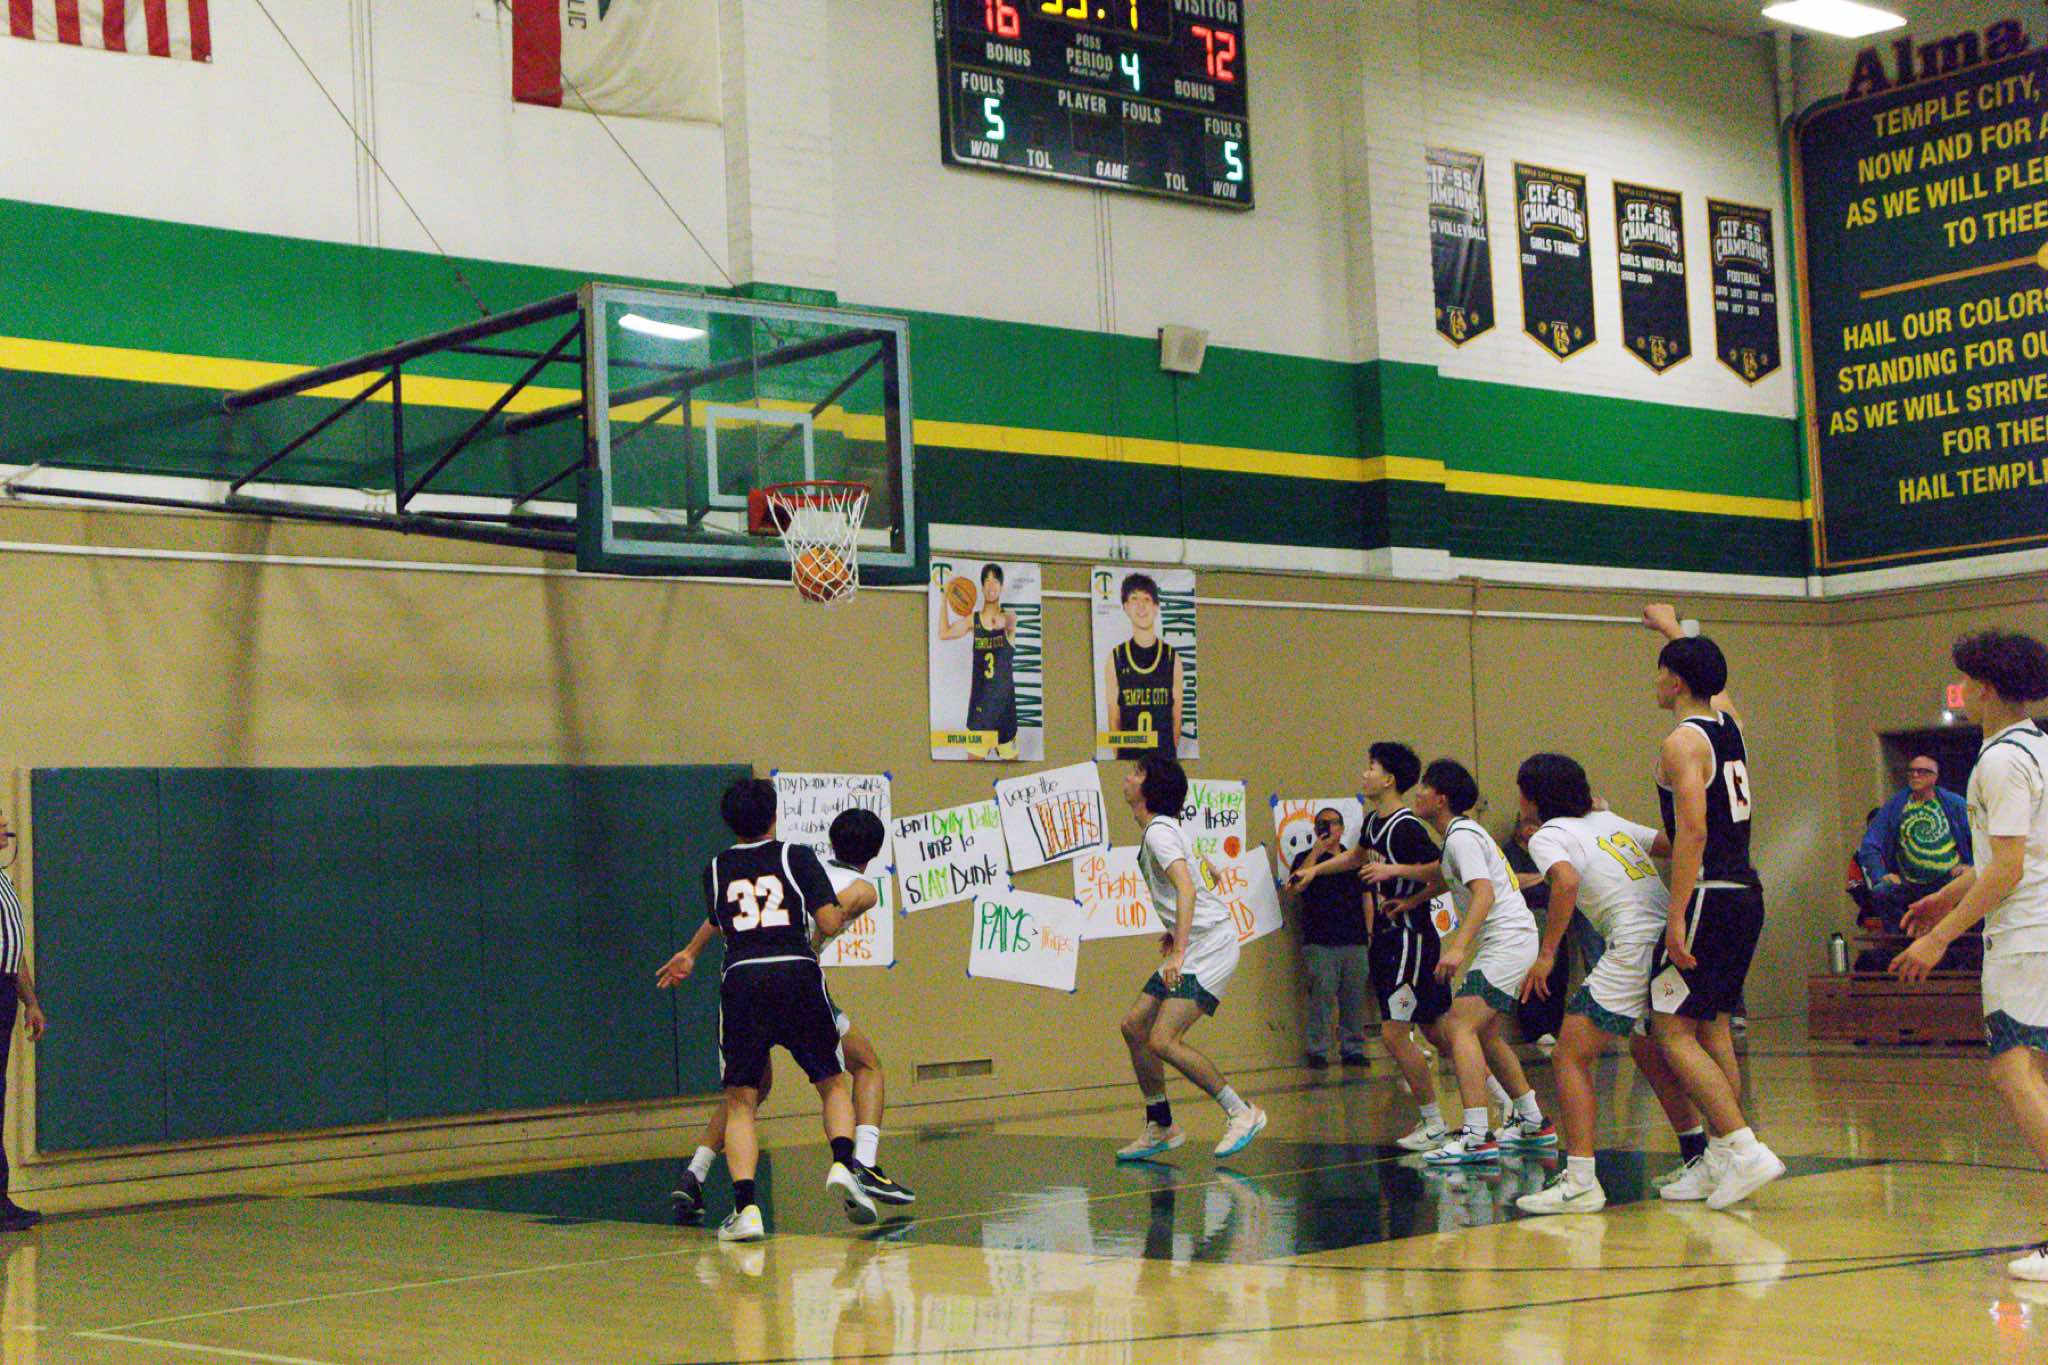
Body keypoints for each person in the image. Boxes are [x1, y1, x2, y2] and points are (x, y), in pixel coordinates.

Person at [663, 809, 914, 1221]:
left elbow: (717, 918)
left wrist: (690, 952)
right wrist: (813, 938)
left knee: (747, 1093)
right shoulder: (858, 886)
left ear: (831, 841)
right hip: (798, 983)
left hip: (747, 984)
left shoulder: (794, 865)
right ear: (875, 852)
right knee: (863, 1065)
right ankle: (861, 1164)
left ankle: (695, 1173)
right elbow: (830, 919)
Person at [1891, 630, 2048, 1282]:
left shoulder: (2000, 762)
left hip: (2026, 938)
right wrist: (1943, 896)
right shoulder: (2039, 748)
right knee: (2034, 1077)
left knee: (2015, 1074)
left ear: (1982, 687)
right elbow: (2010, 856)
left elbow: (2009, 870)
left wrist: (1939, 937)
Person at [1511, 753, 1703, 1215]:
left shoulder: (1548, 835)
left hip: (1632, 943)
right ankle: (1699, 1157)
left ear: (1531, 797)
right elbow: (1675, 842)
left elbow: (1566, 883)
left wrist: (1546, 954)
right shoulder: (1608, 820)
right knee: (1646, 1047)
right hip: (1667, 937)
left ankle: (1580, 1180)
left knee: (1569, 1054)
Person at [1641, 604, 1784, 1209]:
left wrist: (1676, 915)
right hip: (1744, 892)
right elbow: (1716, 686)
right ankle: (1725, 1157)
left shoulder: (1681, 741)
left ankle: (1744, 1147)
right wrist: (1674, 629)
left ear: (1675, 680)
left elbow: (1692, 832)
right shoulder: (1730, 726)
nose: (1655, 681)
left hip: (1707, 894)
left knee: (1668, 1028)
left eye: (1661, 670)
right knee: (1712, 1024)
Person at [1374, 759, 1550, 1165]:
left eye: (1424, 788)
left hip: (1507, 940)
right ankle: (1532, 1121)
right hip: (1509, 940)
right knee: (1485, 1033)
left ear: (1441, 799)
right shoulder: (1459, 836)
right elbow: (1443, 876)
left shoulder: (1462, 838)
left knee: (1457, 1025)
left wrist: (1457, 947)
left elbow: (1483, 893)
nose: (1417, 794)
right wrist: (1413, 901)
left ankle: (1476, 1135)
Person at [1289, 741, 1458, 1150]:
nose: (1364, 773)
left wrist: (1399, 879)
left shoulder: (1407, 826)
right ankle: (1514, 1101)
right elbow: (1356, 857)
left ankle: (1434, 1123)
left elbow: (1443, 870)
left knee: (1394, 1034)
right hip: (1389, 937)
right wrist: (1315, 871)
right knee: (1436, 1031)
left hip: (1410, 937)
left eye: (1371, 767)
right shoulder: (1371, 822)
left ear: (1389, 779)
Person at [1115, 755, 1266, 1161]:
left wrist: (1179, 952)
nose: (1128, 777)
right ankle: (1161, 1123)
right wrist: (1175, 932)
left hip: (1210, 946)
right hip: (1198, 941)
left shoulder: (1159, 834)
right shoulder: (1162, 829)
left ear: (1150, 788)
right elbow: (1190, 886)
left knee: (1163, 1039)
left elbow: (1186, 888)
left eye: (1137, 772)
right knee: (1135, 1026)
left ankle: (1242, 1111)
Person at [1280, 807, 1370, 1067]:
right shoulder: (1304, 858)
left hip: (1354, 939)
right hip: (1320, 941)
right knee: (1321, 997)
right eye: (1322, 823)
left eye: (1332, 823)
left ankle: (1353, 1049)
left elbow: (1367, 897)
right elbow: (1296, 886)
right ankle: (1317, 1050)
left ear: (1341, 828)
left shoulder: (1354, 859)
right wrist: (1316, 854)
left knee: (1354, 999)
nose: (1328, 828)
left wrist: (1369, 932)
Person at [1858, 755, 1972, 933]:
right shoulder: (1895, 806)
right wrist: (1880, 874)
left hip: (1948, 880)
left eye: (1922, 771)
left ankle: (1957, 938)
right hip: (1909, 883)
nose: (1915, 775)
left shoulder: (1955, 804)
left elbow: (1980, 837)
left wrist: (1970, 866)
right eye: (1911, 771)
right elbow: (1869, 844)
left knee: (1970, 886)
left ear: (1935, 777)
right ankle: (1901, 941)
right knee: (1882, 891)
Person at [0, 816, 43, 1232]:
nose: (6, 830)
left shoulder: (4, 882)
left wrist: (30, 1001)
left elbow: (13, 949)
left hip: (4, 987)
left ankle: (1, 1199)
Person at [938, 563, 1019, 760]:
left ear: (1001, 587)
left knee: (1015, 771)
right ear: (982, 587)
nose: (991, 586)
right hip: (980, 710)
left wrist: (1001, 621)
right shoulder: (972, 621)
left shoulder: (1010, 617)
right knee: (972, 769)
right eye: (987, 581)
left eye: (996, 581)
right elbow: (943, 633)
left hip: (1005, 710)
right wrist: (944, 597)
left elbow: (1008, 621)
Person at [1104, 573, 1184, 759]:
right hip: (1129, 760)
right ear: (1125, 607)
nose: (1141, 605)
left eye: (1146, 599)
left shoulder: (1172, 658)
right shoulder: (1115, 658)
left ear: (1156, 607)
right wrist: (1121, 759)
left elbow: (1176, 718)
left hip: (1163, 760)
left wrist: (1168, 758)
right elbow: (1114, 718)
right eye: (1134, 599)